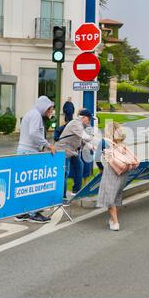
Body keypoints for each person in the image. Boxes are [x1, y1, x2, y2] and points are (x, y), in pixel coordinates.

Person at [15, 96, 57, 224]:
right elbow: (34, 133)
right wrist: (48, 145)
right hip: (30, 152)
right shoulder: (36, 115)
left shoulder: (30, 113)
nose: (50, 111)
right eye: (49, 108)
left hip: (24, 151)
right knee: (33, 184)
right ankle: (33, 213)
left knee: (25, 184)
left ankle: (23, 212)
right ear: (44, 106)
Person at [96, 122, 133, 231]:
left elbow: (97, 158)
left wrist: (101, 168)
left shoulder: (104, 142)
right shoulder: (122, 142)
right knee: (117, 194)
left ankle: (115, 222)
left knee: (109, 197)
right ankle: (113, 219)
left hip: (111, 171)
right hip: (123, 171)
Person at [55, 109, 94, 198]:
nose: (90, 121)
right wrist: (93, 137)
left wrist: (91, 146)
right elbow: (85, 137)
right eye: (89, 119)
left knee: (79, 166)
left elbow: (82, 140)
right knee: (65, 172)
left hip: (72, 151)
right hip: (63, 150)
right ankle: (62, 196)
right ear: (83, 117)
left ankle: (76, 191)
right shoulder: (75, 124)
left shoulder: (81, 125)